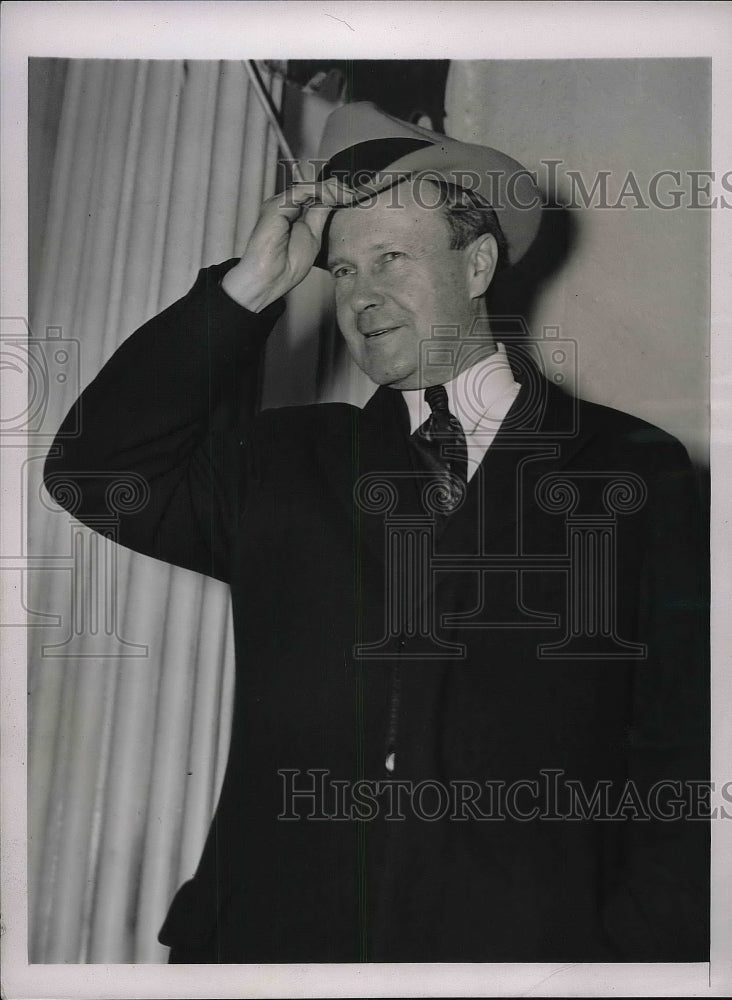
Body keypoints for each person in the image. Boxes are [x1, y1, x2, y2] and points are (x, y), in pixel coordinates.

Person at [44, 102, 709, 963]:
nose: (361, 295)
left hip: (521, 958)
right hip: (273, 953)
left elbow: (682, 749)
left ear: (477, 263)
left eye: (392, 257)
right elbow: (95, 470)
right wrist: (249, 287)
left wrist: (632, 962)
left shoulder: (632, 468)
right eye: (344, 270)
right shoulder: (281, 464)